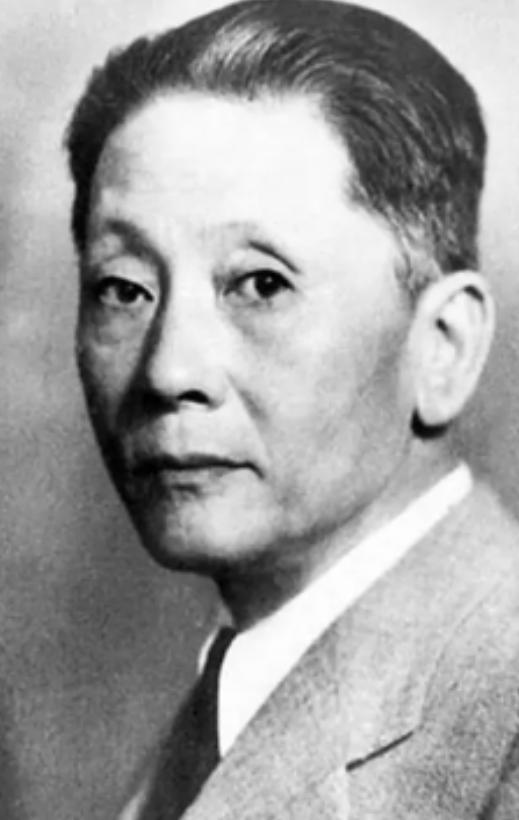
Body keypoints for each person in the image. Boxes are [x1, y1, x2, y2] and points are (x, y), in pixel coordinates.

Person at [65, 1, 519, 817]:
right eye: (123, 289)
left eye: (260, 284)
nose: (169, 371)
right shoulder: (236, 690)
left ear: (442, 345)